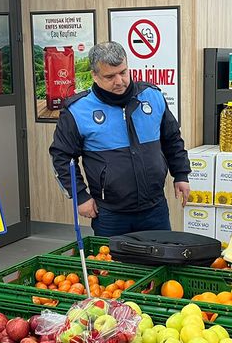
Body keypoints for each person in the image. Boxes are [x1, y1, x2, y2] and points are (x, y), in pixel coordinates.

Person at [49, 41, 191, 237]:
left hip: (155, 208)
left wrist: (181, 174)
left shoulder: (152, 96)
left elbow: (172, 139)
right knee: (111, 259)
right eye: (109, 76)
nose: (119, 81)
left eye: (123, 72)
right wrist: (80, 195)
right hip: (110, 214)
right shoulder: (77, 110)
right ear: (94, 75)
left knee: (161, 255)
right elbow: (62, 157)